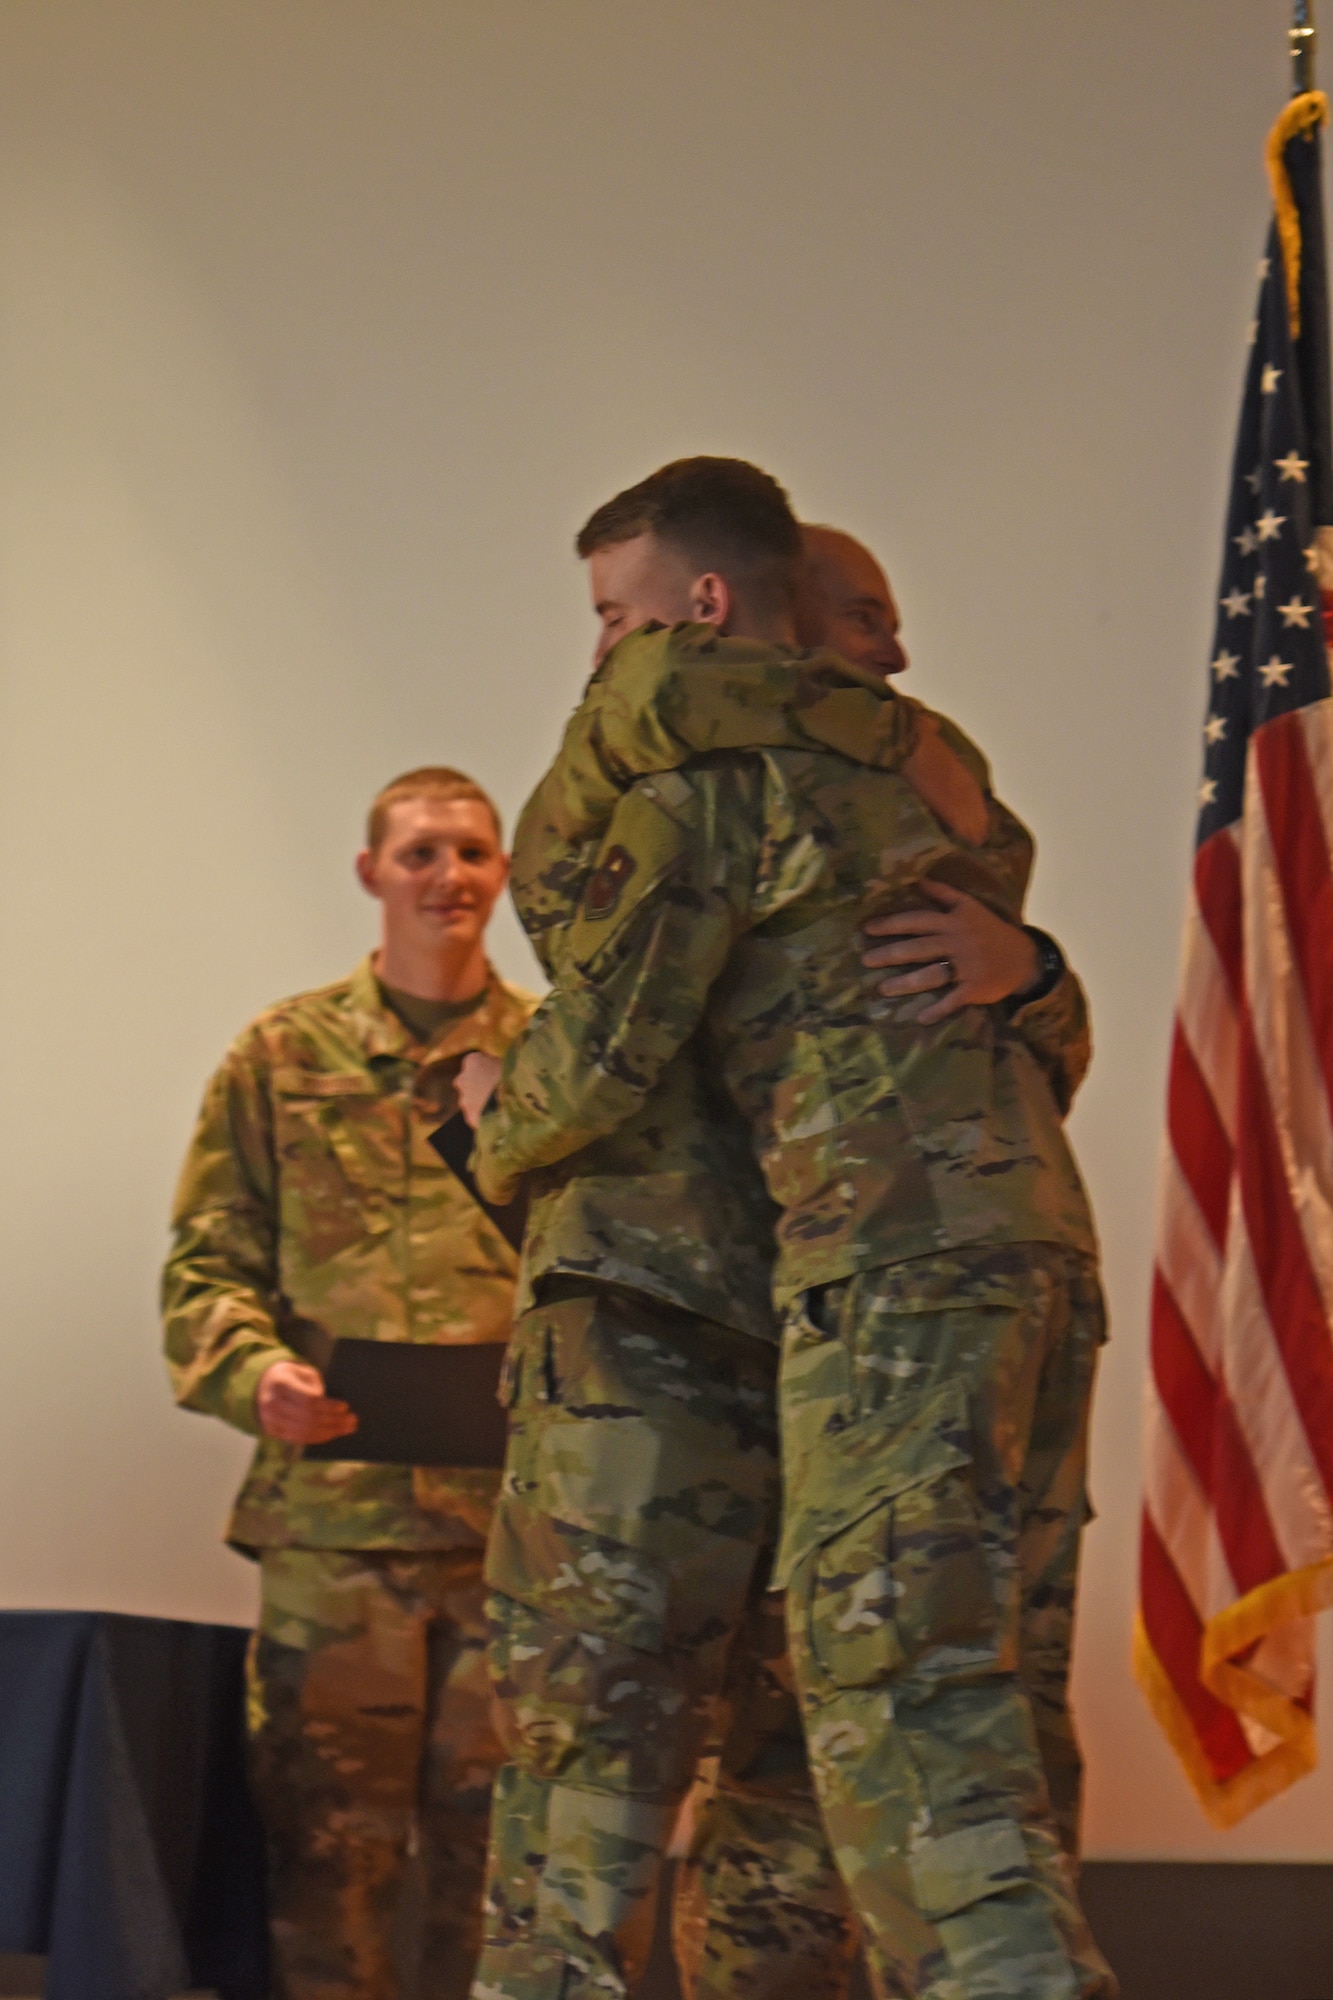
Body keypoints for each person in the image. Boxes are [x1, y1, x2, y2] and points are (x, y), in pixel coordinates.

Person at [459, 460, 1105, 2000]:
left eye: (615, 620)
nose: (882, 652)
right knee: (774, 1728)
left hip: (851, 1293)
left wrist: (491, 1122)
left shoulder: (772, 790)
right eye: (851, 615)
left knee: (868, 1721)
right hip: (712, 1322)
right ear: (761, 613)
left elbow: (604, 1045)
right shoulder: (875, 786)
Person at [162, 767, 534, 2000]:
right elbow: (207, 1263)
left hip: (516, 1537)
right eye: (422, 852)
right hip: (338, 1531)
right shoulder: (282, 1056)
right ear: (372, 871)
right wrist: (252, 1371)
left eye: (474, 853)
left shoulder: (554, 1064)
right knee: (329, 1861)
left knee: (510, 1869)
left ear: (504, 874)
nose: (451, 878)